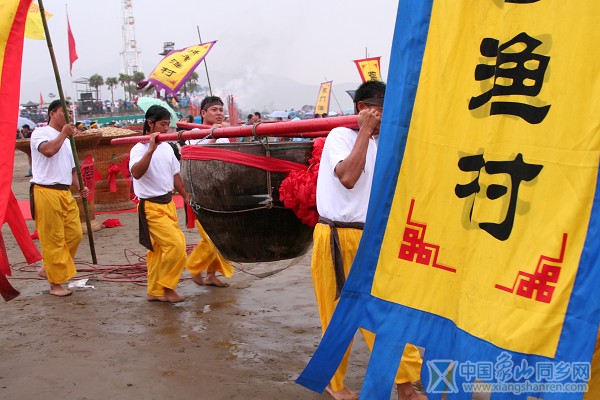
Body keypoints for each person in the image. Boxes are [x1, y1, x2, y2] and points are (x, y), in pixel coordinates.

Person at [312, 81, 425, 400]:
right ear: (363, 108)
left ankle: (405, 386)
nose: (388, 117)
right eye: (383, 109)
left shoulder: (380, 143)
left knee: (389, 313)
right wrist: (363, 130)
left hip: (373, 238)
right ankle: (334, 383)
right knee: (336, 316)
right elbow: (348, 178)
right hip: (337, 236)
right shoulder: (340, 136)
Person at [29, 100, 90, 297]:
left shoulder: (68, 141)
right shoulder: (40, 133)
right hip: (45, 191)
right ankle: (55, 283)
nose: (69, 115)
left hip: (64, 192)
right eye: (65, 111)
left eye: (71, 112)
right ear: (52, 113)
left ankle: (49, 268)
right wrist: (63, 134)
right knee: (53, 238)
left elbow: (72, 170)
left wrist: (81, 186)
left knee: (75, 234)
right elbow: (48, 151)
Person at [129, 105, 188, 303]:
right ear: (150, 123)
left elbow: (175, 175)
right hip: (150, 207)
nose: (165, 129)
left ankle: (154, 291)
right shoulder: (138, 148)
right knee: (176, 245)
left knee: (158, 251)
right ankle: (167, 287)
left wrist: (185, 196)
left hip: (168, 204)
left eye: (167, 125)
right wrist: (150, 150)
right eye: (162, 124)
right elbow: (137, 173)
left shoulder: (168, 148)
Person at [185, 95, 234, 287]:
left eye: (221, 110)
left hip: (221, 191)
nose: (219, 113)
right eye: (214, 110)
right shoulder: (194, 134)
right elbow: (195, 157)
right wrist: (213, 136)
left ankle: (211, 275)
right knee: (212, 236)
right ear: (203, 113)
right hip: (202, 192)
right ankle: (194, 266)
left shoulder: (225, 135)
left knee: (223, 235)